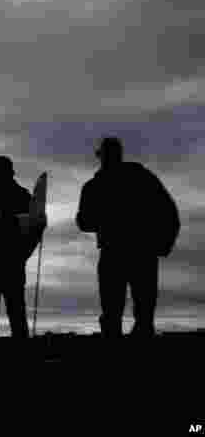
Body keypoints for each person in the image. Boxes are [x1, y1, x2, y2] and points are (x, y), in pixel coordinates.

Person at [76, 137, 180, 339]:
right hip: (137, 253)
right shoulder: (141, 178)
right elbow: (169, 212)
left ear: (102, 157)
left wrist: (163, 244)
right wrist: (163, 245)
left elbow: (84, 222)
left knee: (118, 313)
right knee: (135, 314)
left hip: (122, 253)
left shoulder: (95, 186)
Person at [0, 156, 33, 339]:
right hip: (5, 261)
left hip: (0, 262)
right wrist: (25, 252)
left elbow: (33, 229)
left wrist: (24, 252)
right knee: (12, 311)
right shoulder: (22, 196)